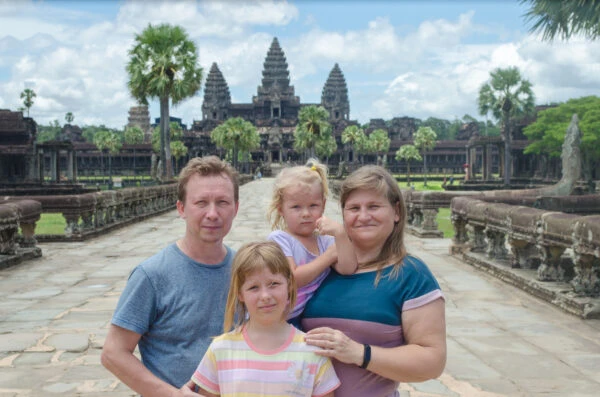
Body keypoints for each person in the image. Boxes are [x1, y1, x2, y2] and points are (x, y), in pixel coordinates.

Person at [101, 156, 240, 396]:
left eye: (223, 202)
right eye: (201, 202)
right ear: (181, 208)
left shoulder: (245, 270)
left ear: (236, 208)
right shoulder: (152, 275)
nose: (212, 213)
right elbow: (113, 353)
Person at [303, 165, 446, 397]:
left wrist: (359, 353)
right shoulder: (320, 266)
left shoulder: (410, 275)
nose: (363, 216)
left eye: (374, 206)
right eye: (353, 208)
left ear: (396, 211)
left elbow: (432, 361)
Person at [182, 241, 340, 396]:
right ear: (240, 294)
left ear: (290, 285)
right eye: (253, 287)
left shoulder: (313, 352)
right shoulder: (220, 349)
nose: (265, 296)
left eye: (274, 284)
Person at [266, 159, 357, 326]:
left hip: (303, 317)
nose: (306, 213)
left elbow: (348, 268)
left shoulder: (325, 241)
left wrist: (341, 234)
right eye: (296, 207)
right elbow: (292, 279)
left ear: (323, 206)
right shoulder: (279, 239)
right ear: (281, 209)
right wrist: (329, 256)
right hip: (274, 319)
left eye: (313, 206)